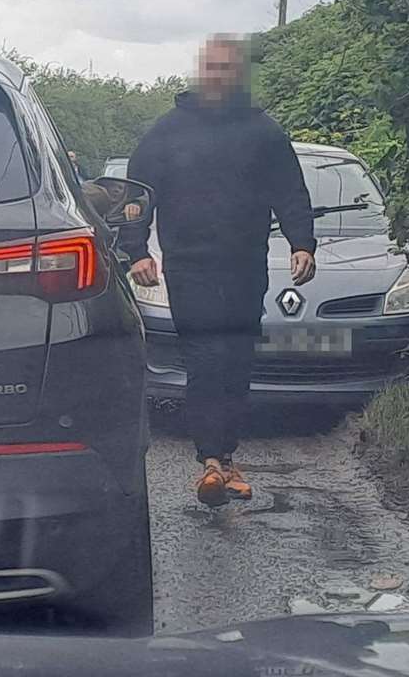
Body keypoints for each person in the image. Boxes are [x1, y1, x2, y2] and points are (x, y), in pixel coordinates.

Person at [119, 34, 316, 507]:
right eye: (211, 66)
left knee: (236, 360)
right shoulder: (168, 130)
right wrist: (137, 251)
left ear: (238, 75)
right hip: (189, 267)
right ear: (200, 71)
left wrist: (302, 243)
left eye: (227, 68)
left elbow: (290, 190)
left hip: (246, 265)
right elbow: (136, 194)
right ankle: (212, 460)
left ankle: (223, 459)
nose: (217, 75)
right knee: (207, 358)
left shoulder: (263, 130)